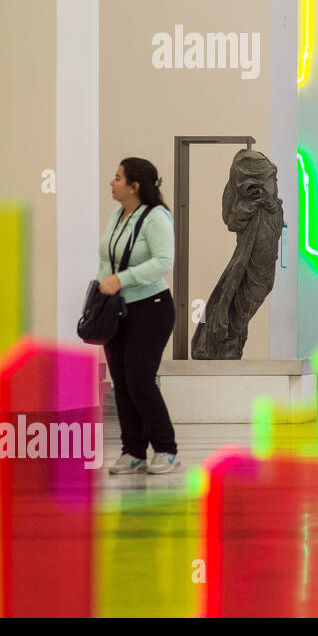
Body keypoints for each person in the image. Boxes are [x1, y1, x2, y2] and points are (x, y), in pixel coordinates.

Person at [101, 157, 181, 476]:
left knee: (139, 380)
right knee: (121, 382)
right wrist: (100, 293)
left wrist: (122, 280)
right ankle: (133, 451)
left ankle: (166, 449)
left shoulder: (156, 217)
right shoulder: (117, 215)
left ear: (134, 186)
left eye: (117, 178)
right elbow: (107, 259)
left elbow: (164, 261)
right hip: (118, 310)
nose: (112, 182)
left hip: (152, 308)